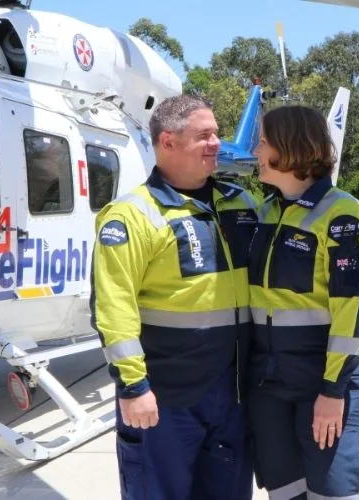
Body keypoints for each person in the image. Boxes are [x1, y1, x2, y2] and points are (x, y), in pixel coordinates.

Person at [90, 94, 258, 500]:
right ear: (167, 142)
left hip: (233, 395)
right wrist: (133, 387)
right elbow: (114, 307)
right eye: (204, 135)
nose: (217, 143)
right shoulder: (131, 216)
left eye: (216, 133)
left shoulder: (242, 204)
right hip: (164, 399)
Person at [247, 105, 359, 499]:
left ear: (290, 149)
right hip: (269, 383)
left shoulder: (344, 216)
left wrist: (332, 391)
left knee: (333, 491)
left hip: (322, 383)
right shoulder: (266, 212)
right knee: (284, 493)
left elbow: (352, 311)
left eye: (264, 142)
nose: (256, 150)